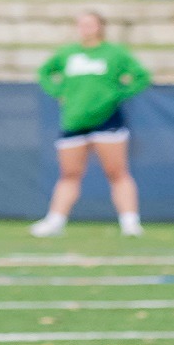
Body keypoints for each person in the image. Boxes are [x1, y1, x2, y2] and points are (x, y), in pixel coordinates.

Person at [31, 12, 150, 238]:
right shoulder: (67, 53)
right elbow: (45, 73)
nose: (85, 28)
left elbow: (141, 76)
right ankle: (55, 221)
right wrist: (59, 92)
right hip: (74, 120)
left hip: (107, 120)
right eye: (81, 24)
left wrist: (117, 95)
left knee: (117, 173)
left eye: (90, 24)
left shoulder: (114, 53)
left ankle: (130, 222)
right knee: (69, 174)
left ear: (100, 27)